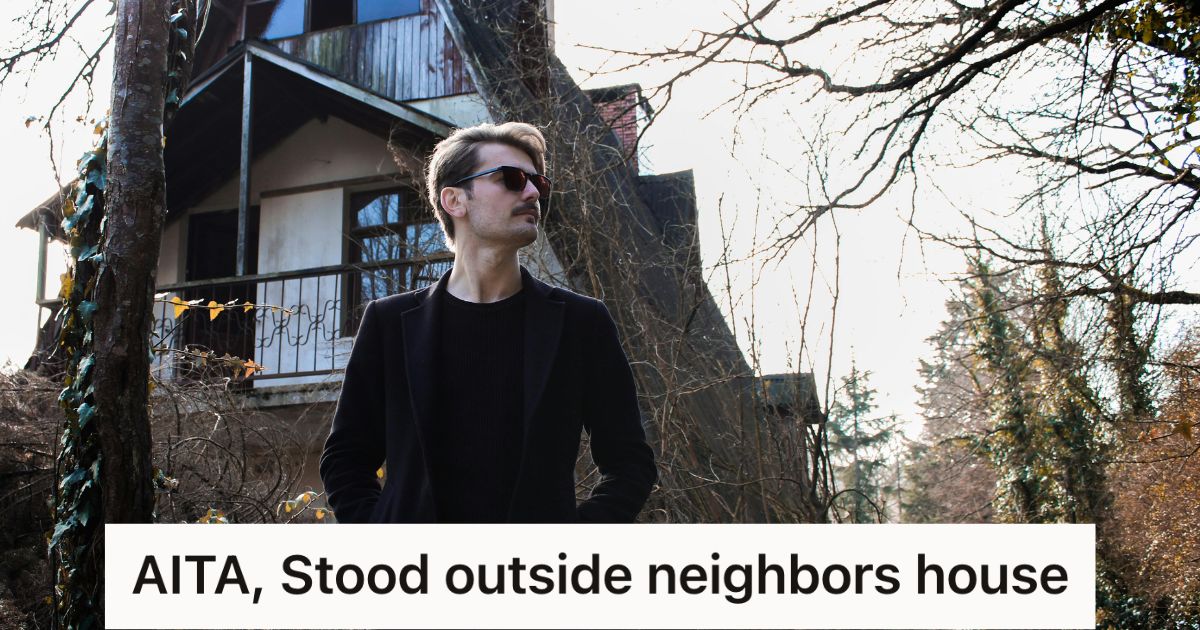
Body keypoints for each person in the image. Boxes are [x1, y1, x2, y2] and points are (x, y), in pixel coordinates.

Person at [320, 122, 657, 523]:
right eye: (511, 179)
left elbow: (630, 464)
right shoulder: (389, 323)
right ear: (454, 200)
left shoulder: (581, 323)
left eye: (538, 183)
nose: (532, 192)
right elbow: (345, 460)